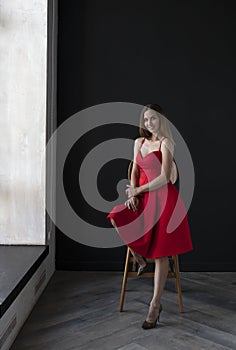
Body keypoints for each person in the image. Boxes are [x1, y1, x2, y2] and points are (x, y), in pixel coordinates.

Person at [107, 103, 193, 329]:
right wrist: (133, 193)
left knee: (162, 254)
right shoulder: (139, 142)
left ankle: (154, 306)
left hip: (163, 199)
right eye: (145, 120)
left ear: (161, 120)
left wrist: (138, 190)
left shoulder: (167, 142)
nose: (149, 123)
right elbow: (135, 171)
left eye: (153, 119)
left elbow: (165, 177)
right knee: (116, 215)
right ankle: (139, 258)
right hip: (142, 199)